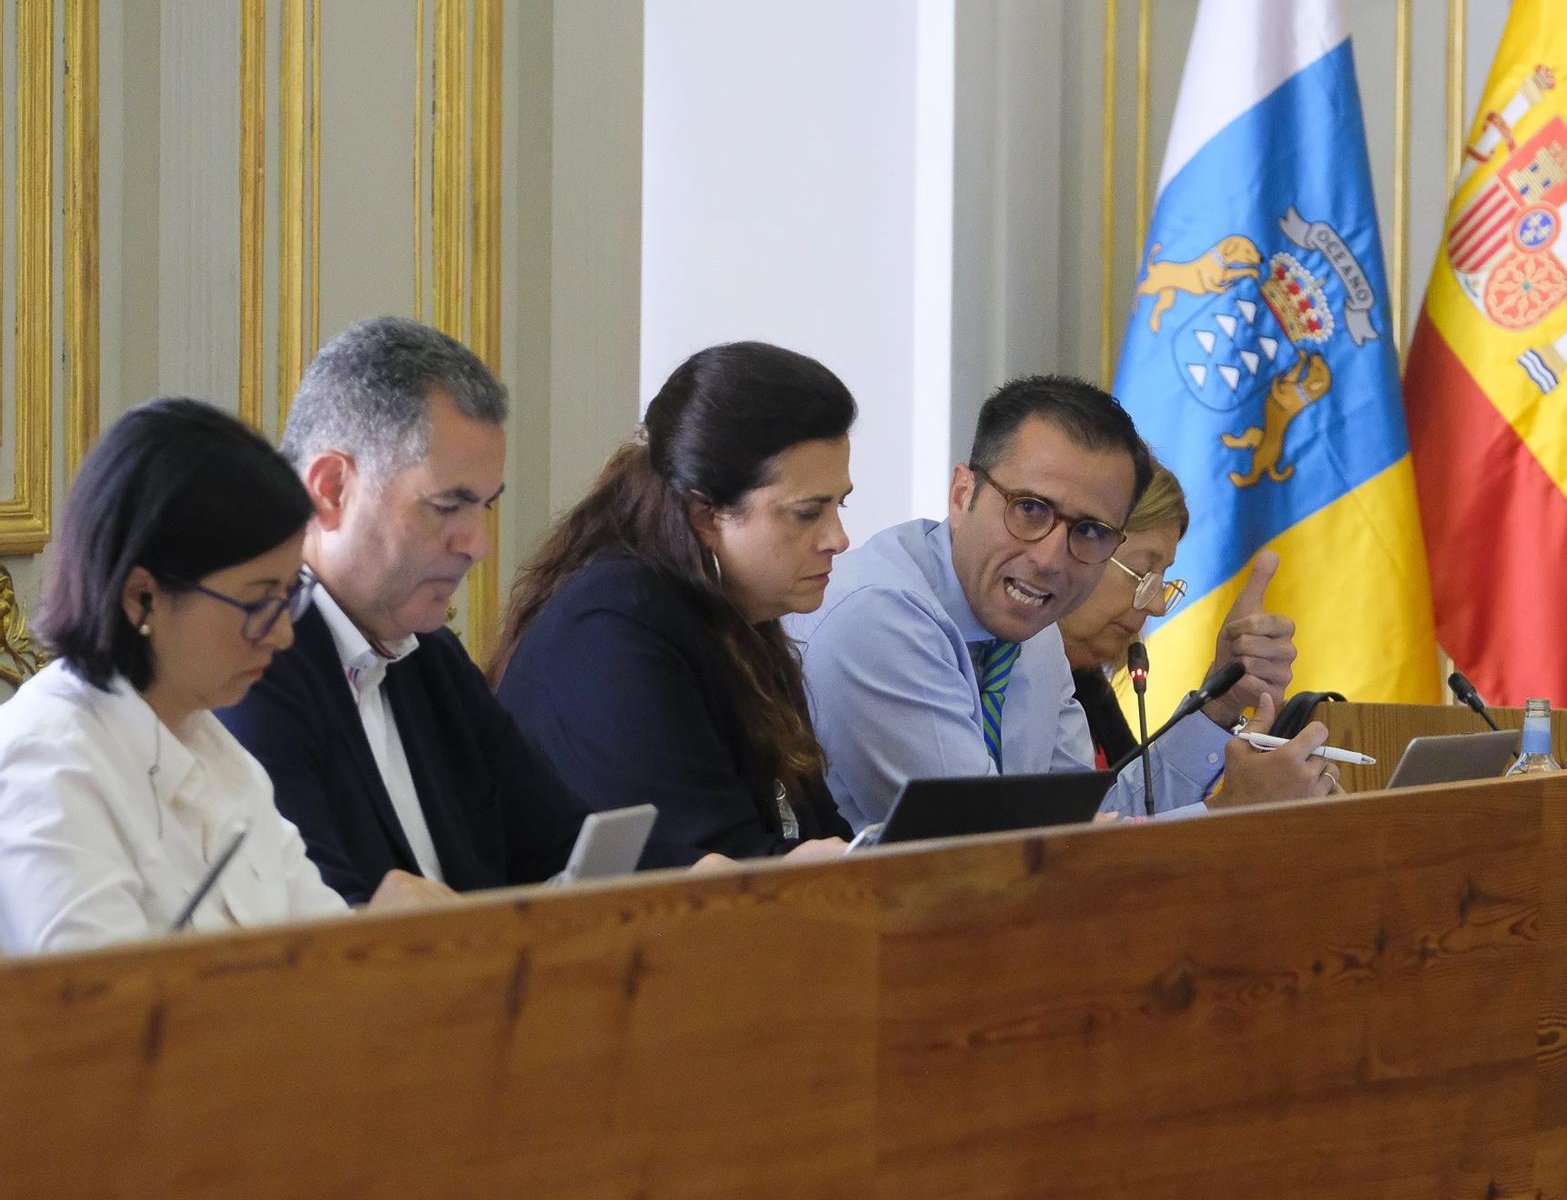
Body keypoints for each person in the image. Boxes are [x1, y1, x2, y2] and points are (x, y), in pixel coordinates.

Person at [0, 399, 450, 955]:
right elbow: (103, 1019)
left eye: (290, 595)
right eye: (259, 602)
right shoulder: (47, 767)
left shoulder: (217, 751)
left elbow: (314, 950)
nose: (284, 635)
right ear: (143, 598)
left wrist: (372, 937)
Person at [791, 373, 1338, 829]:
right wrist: (1231, 811)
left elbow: (1088, 821)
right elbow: (986, 852)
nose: (1052, 559)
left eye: (1092, 532)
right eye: (1029, 509)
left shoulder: (1032, 631)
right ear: (962, 495)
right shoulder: (880, 616)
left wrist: (1219, 704)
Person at [219, 317, 589, 902]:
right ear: (332, 489)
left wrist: (685, 876)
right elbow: (307, 932)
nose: (477, 545)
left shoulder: (432, 658)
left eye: (485, 507)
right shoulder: (251, 662)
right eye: (448, 505)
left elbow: (566, 851)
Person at [491, 343, 857, 867]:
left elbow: (808, 831)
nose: (838, 539)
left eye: (839, 504)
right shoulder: (611, 630)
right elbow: (704, 870)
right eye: (807, 513)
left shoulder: (733, 617)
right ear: (706, 514)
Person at [1059, 462, 1190, 767]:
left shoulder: (1089, 686)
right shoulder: (989, 686)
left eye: (1161, 579)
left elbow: (1144, 809)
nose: (1156, 606)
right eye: (1141, 572)